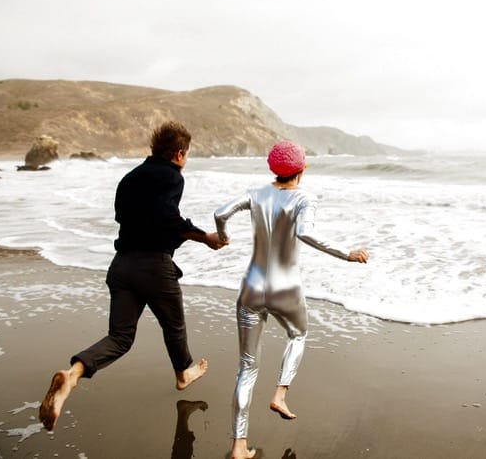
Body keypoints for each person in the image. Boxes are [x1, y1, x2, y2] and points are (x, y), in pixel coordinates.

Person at [39, 121, 226, 432]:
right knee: (174, 326)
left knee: (120, 338)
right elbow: (167, 218)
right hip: (153, 267)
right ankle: (183, 374)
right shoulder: (171, 176)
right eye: (187, 154)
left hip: (121, 265)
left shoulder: (129, 178)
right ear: (179, 154)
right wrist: (204, 236)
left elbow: (123, 217)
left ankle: (72, 376)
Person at [214, 140, 369, 459]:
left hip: (252, 288)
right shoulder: (304, 198)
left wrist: (223, 235)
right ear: (300, 170)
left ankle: (239, 447)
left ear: (274, 168)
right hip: (286, 289)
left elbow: (220, 212)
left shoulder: (255, 194)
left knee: (246, 367)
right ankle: (280, 394)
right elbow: (306, 233)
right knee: (298, 335)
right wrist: (346, 254)